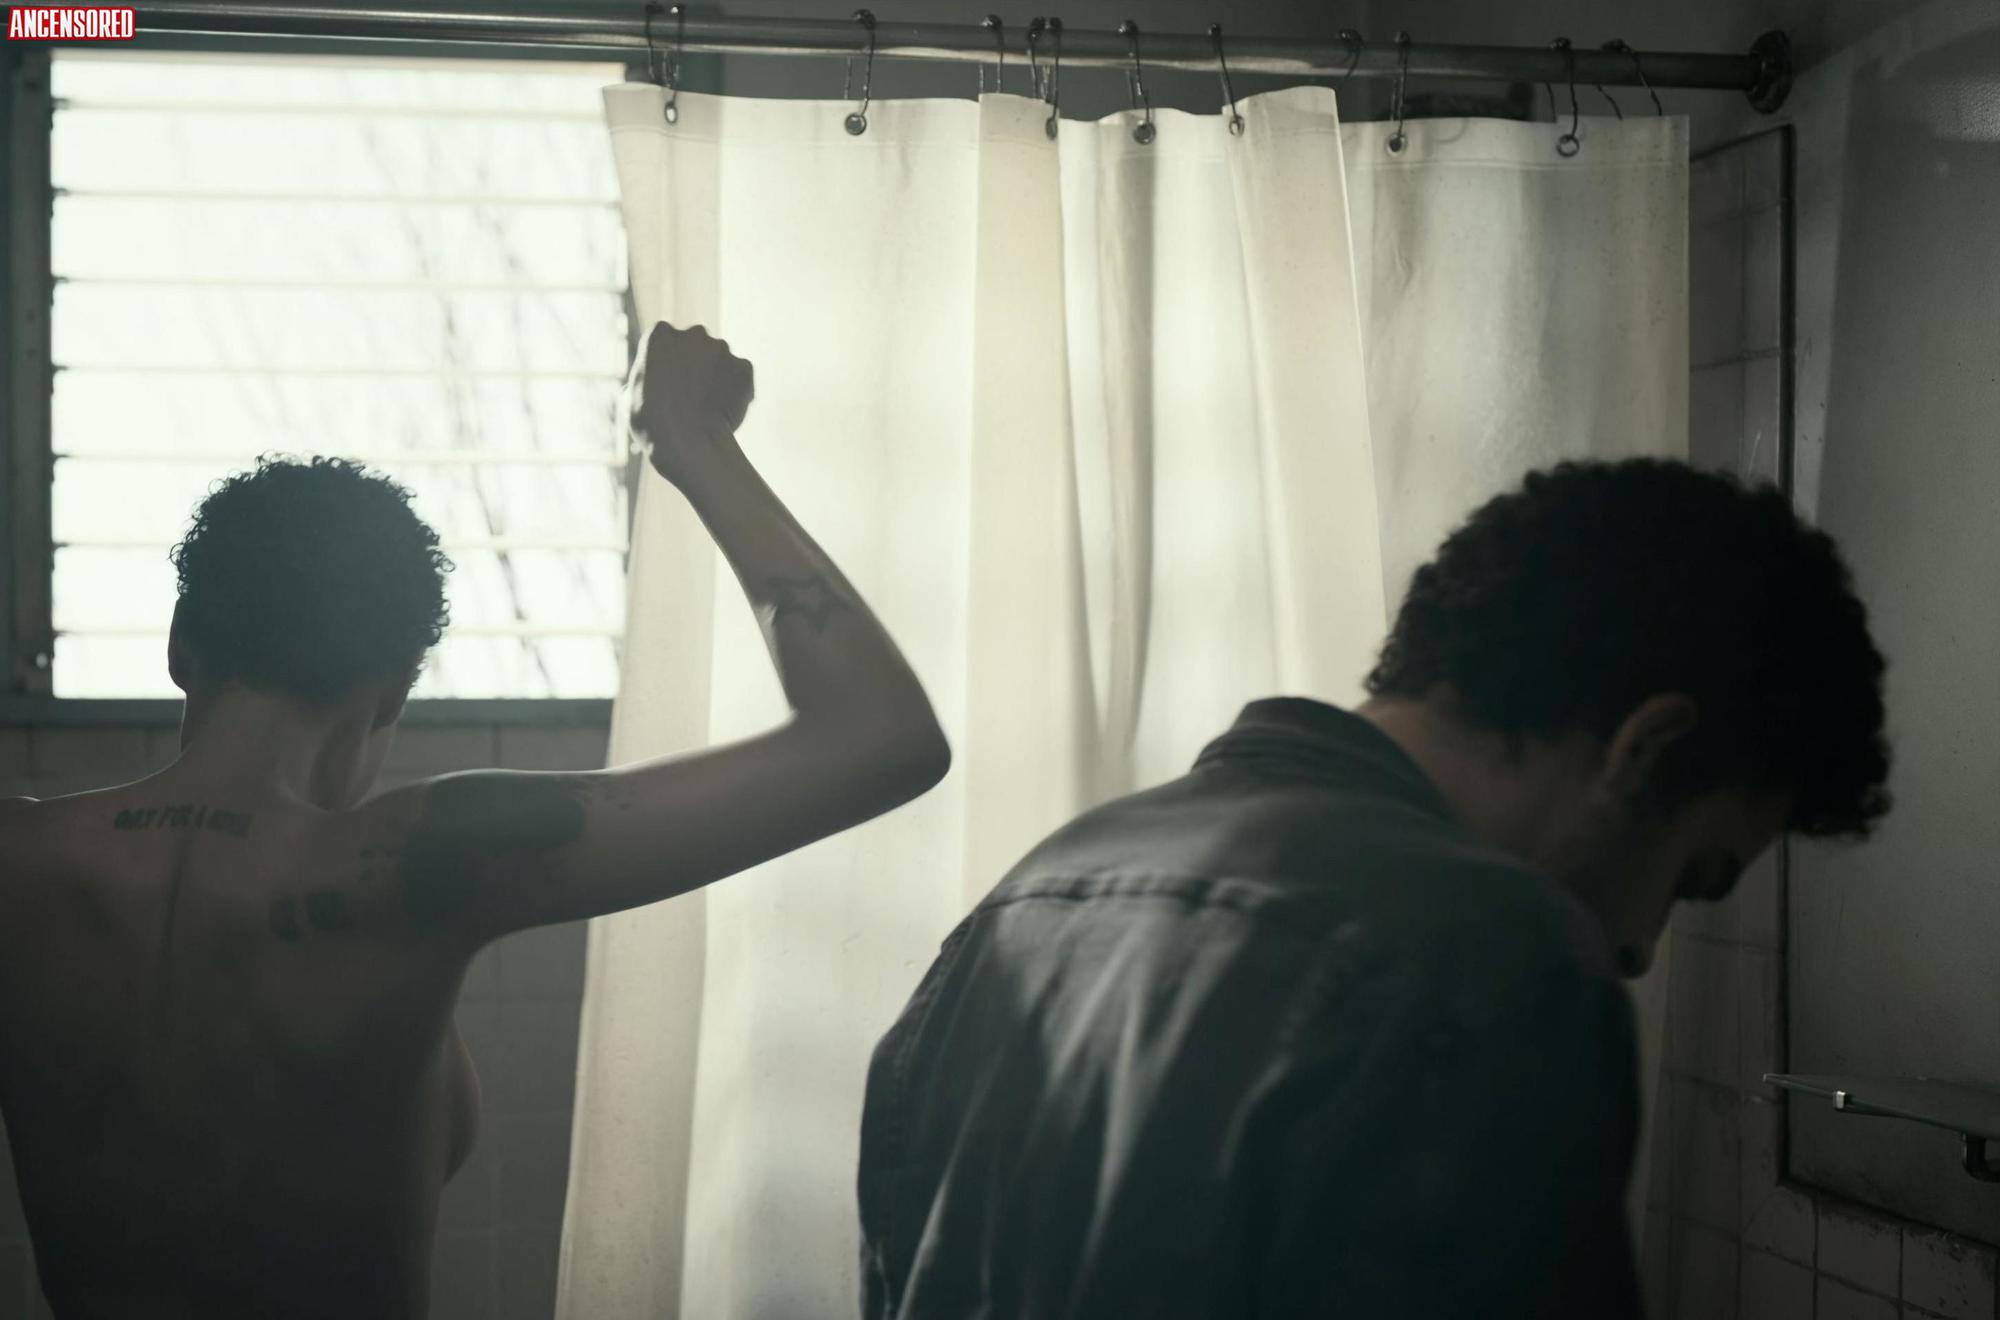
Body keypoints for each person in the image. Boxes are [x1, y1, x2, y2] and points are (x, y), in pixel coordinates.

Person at [0, 321, 949, 1319]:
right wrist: (691, 441)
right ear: (394, 688)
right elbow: (881, 736)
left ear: (181, 646)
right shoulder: (416, 861)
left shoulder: (18, 862)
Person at [857, 460, 1890, 1319]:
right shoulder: (1501, 960)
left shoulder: (1033, 894)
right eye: (1691, 879)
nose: (1639, 948)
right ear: (1646, 746)